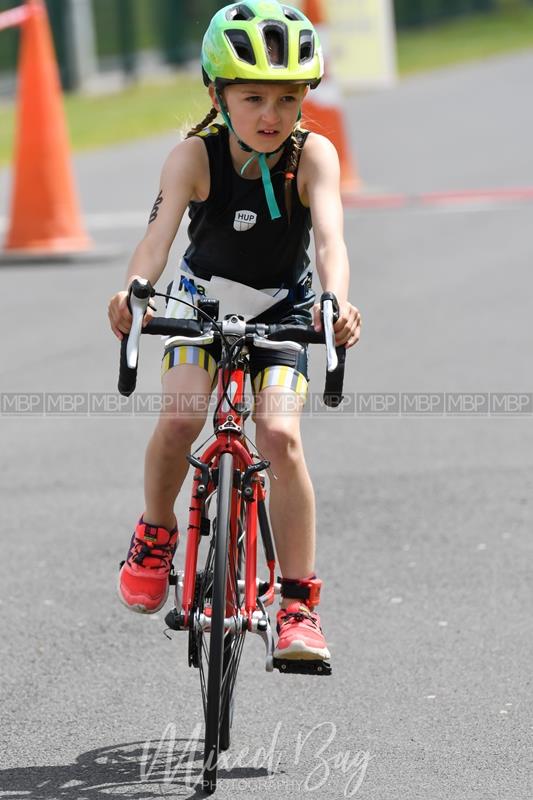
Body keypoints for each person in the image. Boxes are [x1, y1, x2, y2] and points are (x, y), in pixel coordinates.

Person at [108, 0, 361, 666]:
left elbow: (331, 241)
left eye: (287, 96)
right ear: (217, 93)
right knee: (179, 417)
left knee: (278, 435)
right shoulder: (193, 155)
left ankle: (298, 604)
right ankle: (157, 532)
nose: (271, 114)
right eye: (252, 97)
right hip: (199, 300)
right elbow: (155, 241)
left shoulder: (313, 155)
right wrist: (134, 293)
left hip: (283, 307)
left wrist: (335, 302)